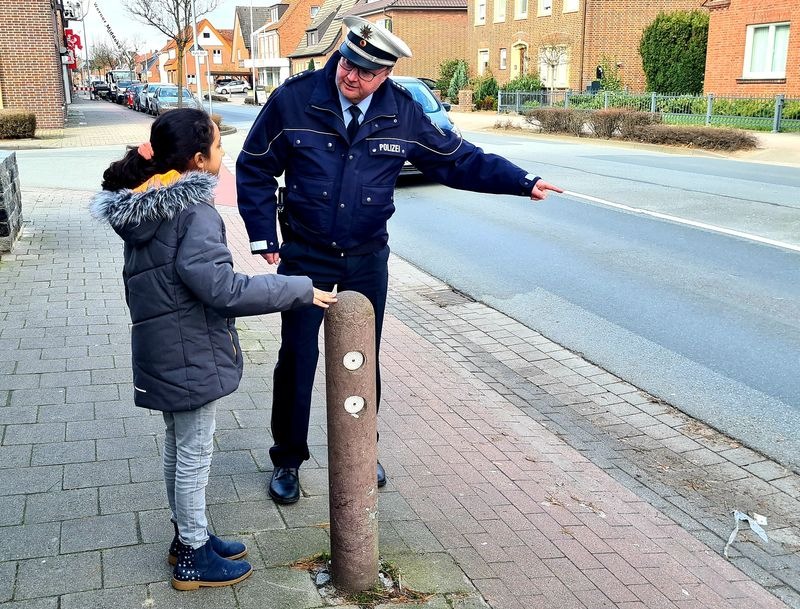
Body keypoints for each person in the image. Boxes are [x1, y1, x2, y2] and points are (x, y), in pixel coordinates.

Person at [236, 16, 563, 505]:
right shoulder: (295, 99)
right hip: (305, 256)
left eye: (366, 72)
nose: (351, 76)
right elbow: (255, 166)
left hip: (366, 259)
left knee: (362, 361)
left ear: (385, 74)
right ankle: (287, 458)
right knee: (297, 359)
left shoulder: (402, 111)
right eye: (348, 63)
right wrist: (263, 236)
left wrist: (521, 181)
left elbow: (457, 160)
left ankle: (362, 449)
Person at [90, 109, 336, 590]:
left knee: (179, 446)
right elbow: (222, 289)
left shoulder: (149, 201)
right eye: (220, 147)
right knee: (194, 452)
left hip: (165, 344)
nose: (225, 155)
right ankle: (193, 555)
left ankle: (189, 535)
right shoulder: (193, 212)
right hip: (189, 348)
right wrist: (297, 289)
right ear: (199, 160)